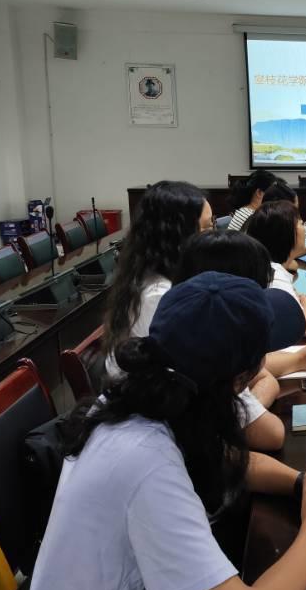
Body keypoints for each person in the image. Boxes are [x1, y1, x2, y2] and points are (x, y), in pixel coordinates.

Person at [23, 272, 306, 590]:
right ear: (238, 381)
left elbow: (224, 458)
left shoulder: (140, 399)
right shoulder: (146, 461)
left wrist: (301, 484)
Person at [103, 181, 286, 450]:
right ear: (177, 237)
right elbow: (266, 430)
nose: (215, 236)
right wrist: (255, 399)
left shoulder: (161, 285)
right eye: (207, 228)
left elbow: (238, 372)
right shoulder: (164, 299)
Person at [175, 230, 306, 413]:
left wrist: (297, 360)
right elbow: (272, 429)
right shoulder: (186, 367)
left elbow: (263, 376)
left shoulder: (217, 340)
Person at [246, 200, 306, 336]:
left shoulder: (265, 265)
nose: (304, 228)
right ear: (287, 234)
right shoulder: (275, 275)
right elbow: (302, 329)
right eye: (301, 223)